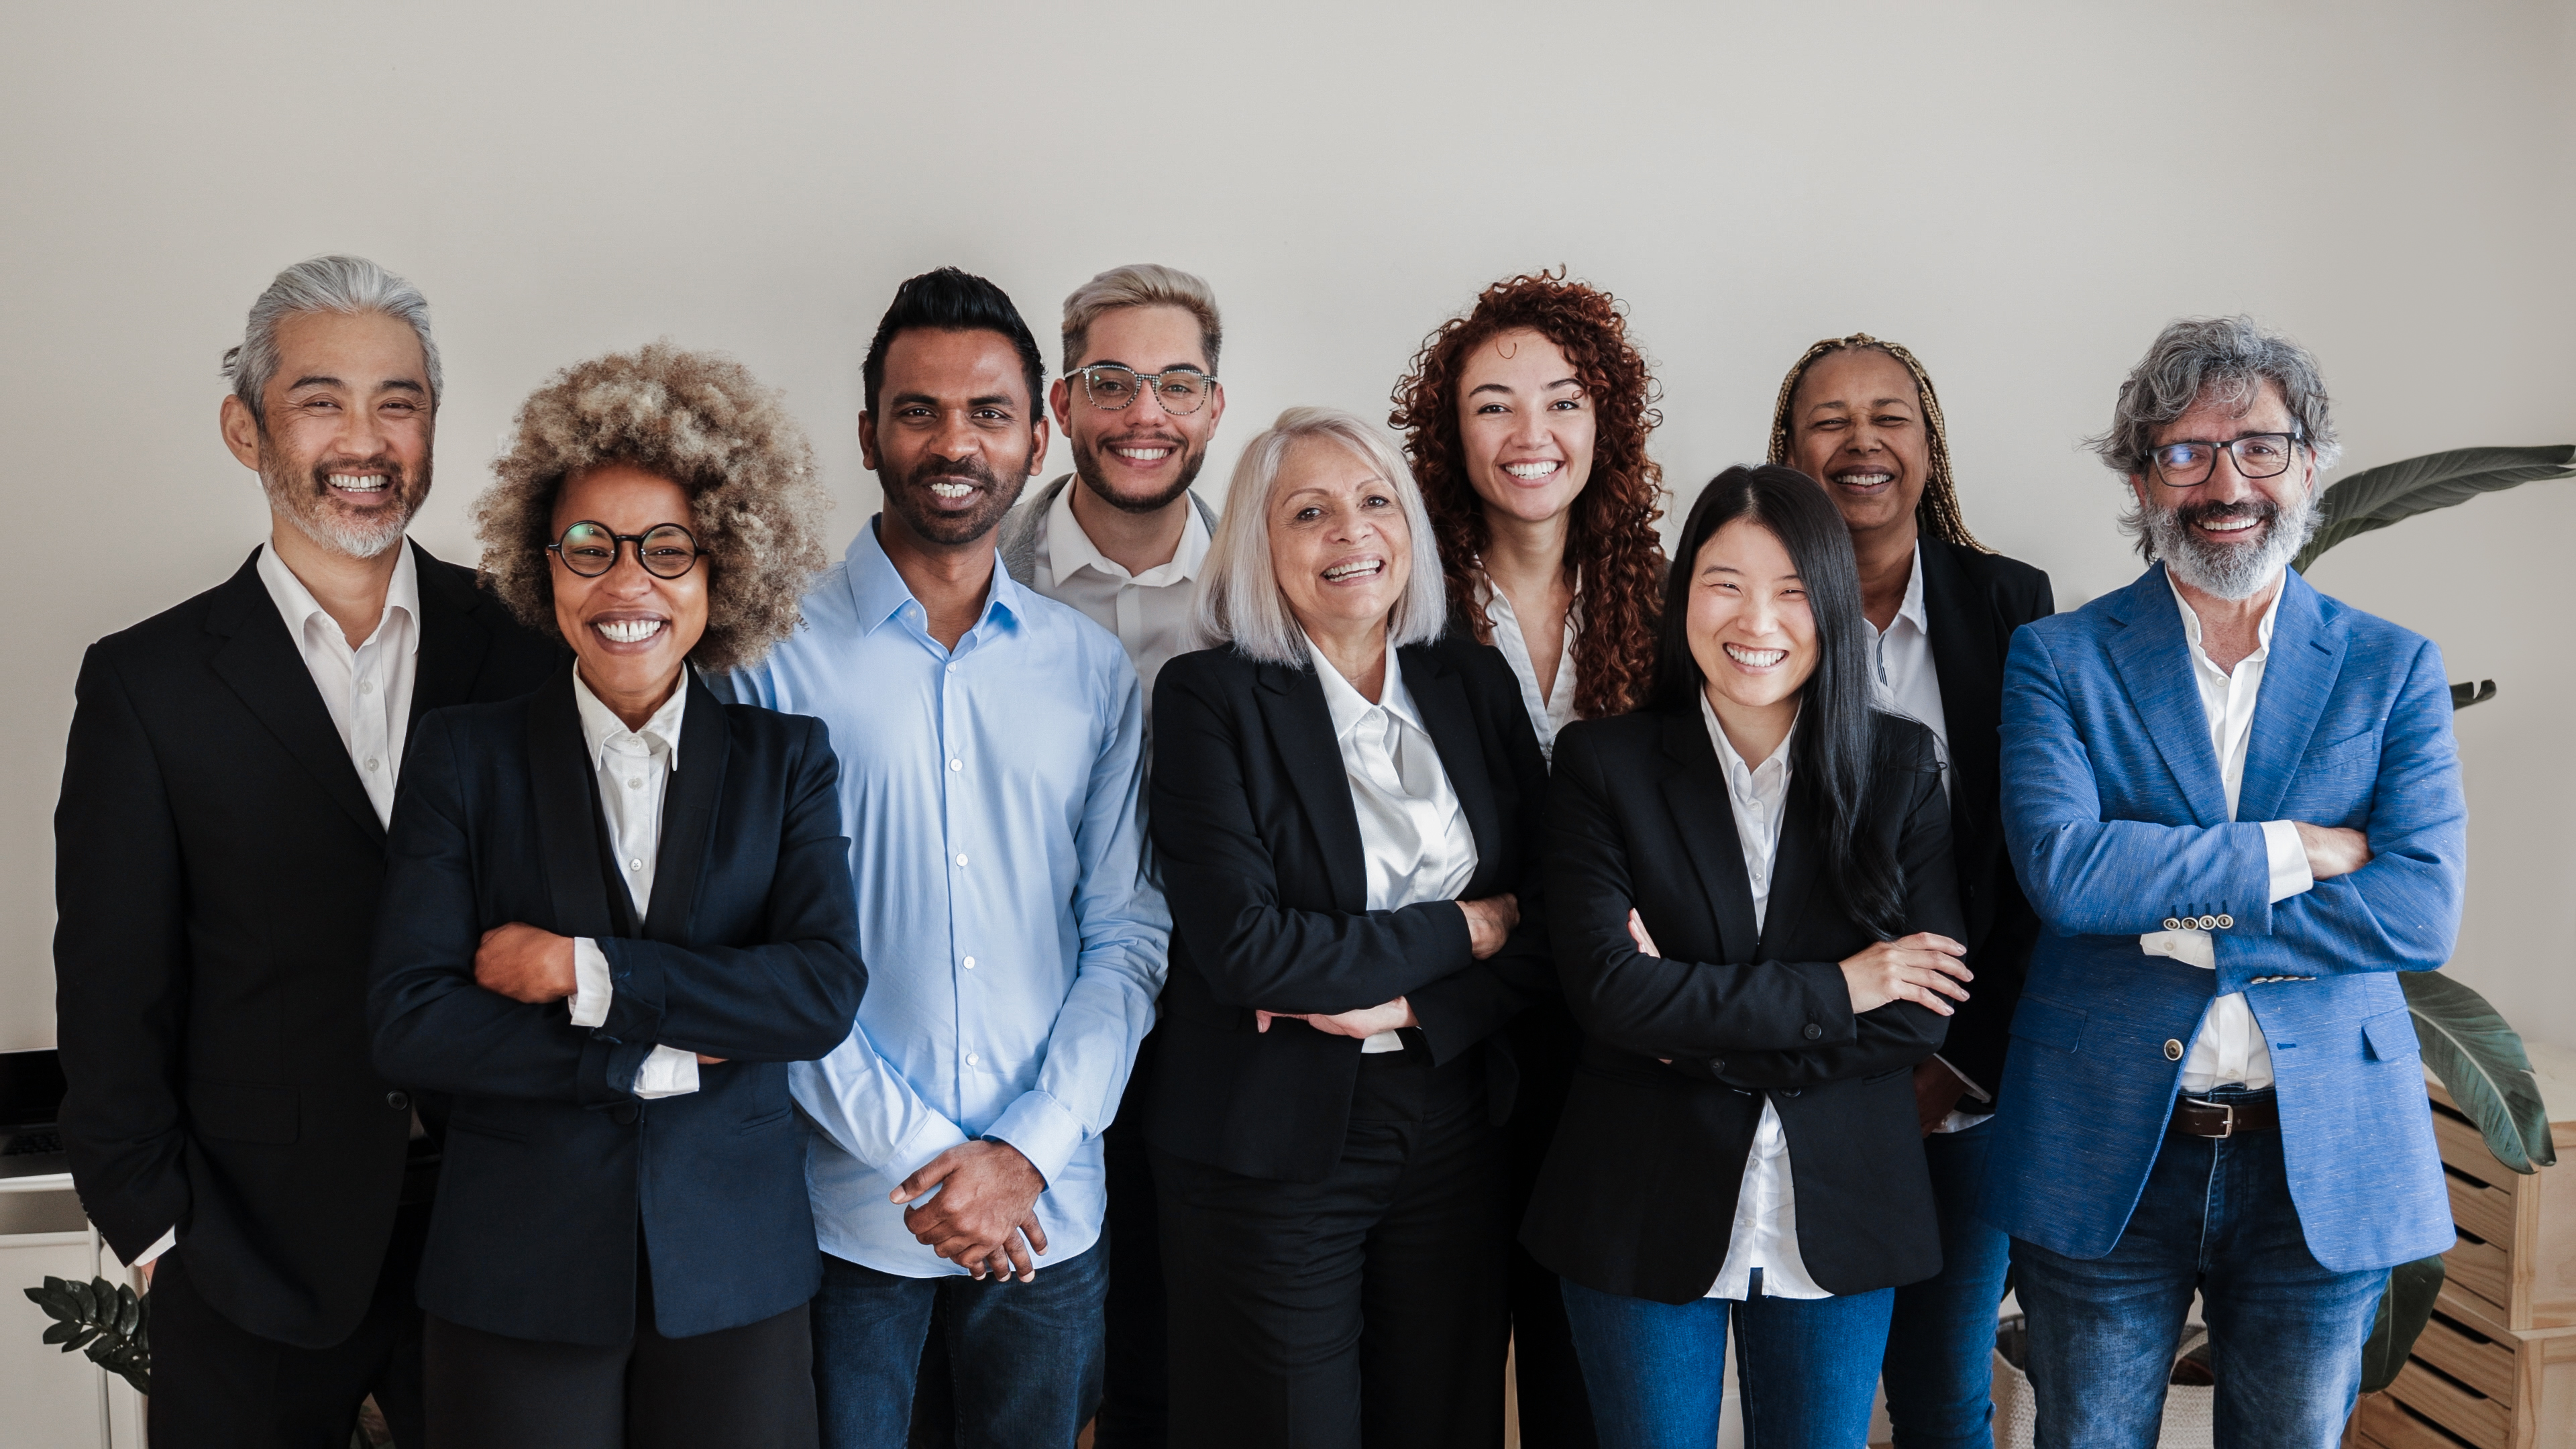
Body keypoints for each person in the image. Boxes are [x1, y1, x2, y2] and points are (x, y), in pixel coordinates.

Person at [51, 256, 561, 1448]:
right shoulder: (147, 685)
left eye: (401, 401)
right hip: (245, 1250)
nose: (367, 438)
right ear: (247, 428)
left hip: (500, 1231)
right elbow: (113, 989)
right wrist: (159, 1236)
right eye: (321, 399)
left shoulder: (533, 648)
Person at [368, 343, 866, 1448]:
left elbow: (819, 994)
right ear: (543, 564)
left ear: (719, 569)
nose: (626, 582)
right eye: (589, 547)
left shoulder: (789, 762)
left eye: (666, 549)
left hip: (735, 1276)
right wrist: (652, 1053)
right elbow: (412, 1022)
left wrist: (584, 972)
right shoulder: (463, 758)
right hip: (516, 1277)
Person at [1984, 316, 2466, 1446]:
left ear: (2309, 462)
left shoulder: (2392, 667)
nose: (2224, 482)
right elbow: (2069, 872)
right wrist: (2297, 852)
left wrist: (2200, 934)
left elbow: (2418, 906)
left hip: (2320, 1159)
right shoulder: (2058, 660)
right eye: (2184, 452)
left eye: (2256, 446)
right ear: (2143, 479)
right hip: (2108, 1146)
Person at [720, 267, 1169, 1449]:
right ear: (868, 432)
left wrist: (1026, 1150)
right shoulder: (768, 660)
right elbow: (761, 953)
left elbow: (1125, 936)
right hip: (846, 1214)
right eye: (919, 412)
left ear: (1039, 431)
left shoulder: (1089, 673)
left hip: (1049, 1211)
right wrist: (931, 1163)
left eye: (988, 413)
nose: (953, 442)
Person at [1522, 464, 1973, 1449]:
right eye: (1725, 582)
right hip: (1637, 1201)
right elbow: (1607, 993)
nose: (1755, 619)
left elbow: (1917, 1019)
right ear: (1685, 593)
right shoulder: (1603, 765)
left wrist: (1683, 1019)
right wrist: (1843, 985)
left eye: (1793, 591)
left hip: (1844, 1203)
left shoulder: (1901, 771)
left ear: (1834, 606)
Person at [1146, 407, 1552, 1449]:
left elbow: (1551, 918)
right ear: (1259, 545)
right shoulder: (1209, 698)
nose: (1350, 533)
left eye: (1375, 503)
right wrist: (1470, 930)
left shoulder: (1472, 680)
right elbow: (1249, 949)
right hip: (1275, 1140)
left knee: (1443, 1421)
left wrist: (1416, 994)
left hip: (1456, 1118)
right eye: (1310, 512)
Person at [1388, 268, 1668, 1446]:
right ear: (1451, 433)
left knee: (1587, 1382)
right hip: (1447, 1037)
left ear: (1605, 423)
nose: (1531, 433)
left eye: (1561, 400)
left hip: (1621, 1044)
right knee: (1434, 1373)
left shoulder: (1667, 600)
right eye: (1493, 404)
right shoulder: (1398, 595)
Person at [1766, 333, 2053, 1448]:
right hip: (1802, 1071)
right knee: (1817, 1404)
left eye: (1889, 416)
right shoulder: (1747, 611)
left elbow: (2038, 863)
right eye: (1828, 421)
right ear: (1790, 452)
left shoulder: (2011, 605)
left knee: (1943, 1390)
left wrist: (1950, 1064)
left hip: (1969, 1080)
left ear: (1929, 447)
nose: (1861, 442)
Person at [994, 263, 1225, 1448]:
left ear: (1216, 408)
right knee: (1033, 1365)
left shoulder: (1278, 595)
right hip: (1024, 1029)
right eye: (1113, 383)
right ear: (1063, 404)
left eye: (1178, 383)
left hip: (1223, 1029)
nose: (1148, 414)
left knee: (1179, 1360)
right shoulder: (975, 580)